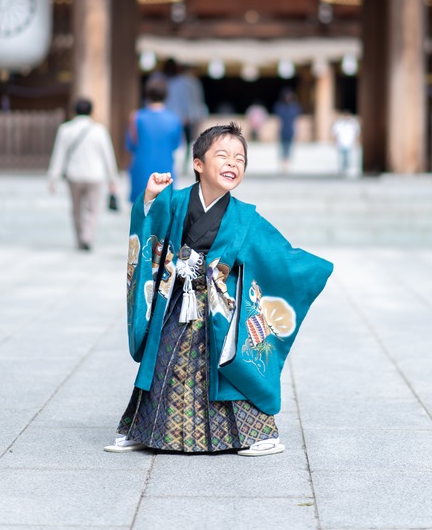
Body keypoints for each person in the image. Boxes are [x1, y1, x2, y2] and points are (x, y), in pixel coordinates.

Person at [105, 123, 334, 456]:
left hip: (217, 309)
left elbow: (278, 256)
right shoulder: (177, 201)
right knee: (164, 363)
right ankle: (144, 429)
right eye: (222, 156)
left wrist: (315, 270)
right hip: (176, 303)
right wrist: (151, 197)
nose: (232, 164)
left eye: (240, 159)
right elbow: (149, 229)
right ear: (198, 164)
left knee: (228, 366)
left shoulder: (244, 218)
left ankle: (259, 434)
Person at [46, 97, 121, 252]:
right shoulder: (100, 130)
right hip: (95, 175)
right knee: (93, 209)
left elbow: (58, 154)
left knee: (76, 209)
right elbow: (108, 156)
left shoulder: (65, 129)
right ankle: (88, 237)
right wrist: (113, 179)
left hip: (74, 175)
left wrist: (53, 178)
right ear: (91, 112)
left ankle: (80, 238)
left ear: (74, 111)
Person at [125, 74, 183, 204]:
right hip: (165, 172)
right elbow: (176, 146)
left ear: (147, 95)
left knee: (141, 213)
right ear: (166, 95)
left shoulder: (136, 117)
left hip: (141, 171)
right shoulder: (174, 119)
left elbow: (131, 145)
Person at [161, 59, 208, 173]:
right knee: (184, 143)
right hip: (181, 117)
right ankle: (183, 165)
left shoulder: (175, 82)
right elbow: (189, 101)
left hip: (174, 117)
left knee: (181, 143)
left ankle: (182, 164)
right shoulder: (183, 82)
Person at [272, 88, 303, 174]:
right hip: (283, 130)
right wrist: (276, 131)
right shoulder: (280, 107)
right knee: (282, 148)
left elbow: (296, 121)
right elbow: (278, 121)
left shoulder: (294, 108)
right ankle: (283, 166)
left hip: (290, 131)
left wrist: (297, 131)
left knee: (289, 148)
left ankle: (287, 166)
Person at [331, 110, 361, 176]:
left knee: (347, 156)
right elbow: (335, 133)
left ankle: (346, 168)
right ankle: (342, 168)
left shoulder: (353, 123)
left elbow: (357, 133)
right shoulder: (339, 123)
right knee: (342, 156)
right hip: (341, 142)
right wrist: (334, 141)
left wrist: (357, 141)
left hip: (349, 142)